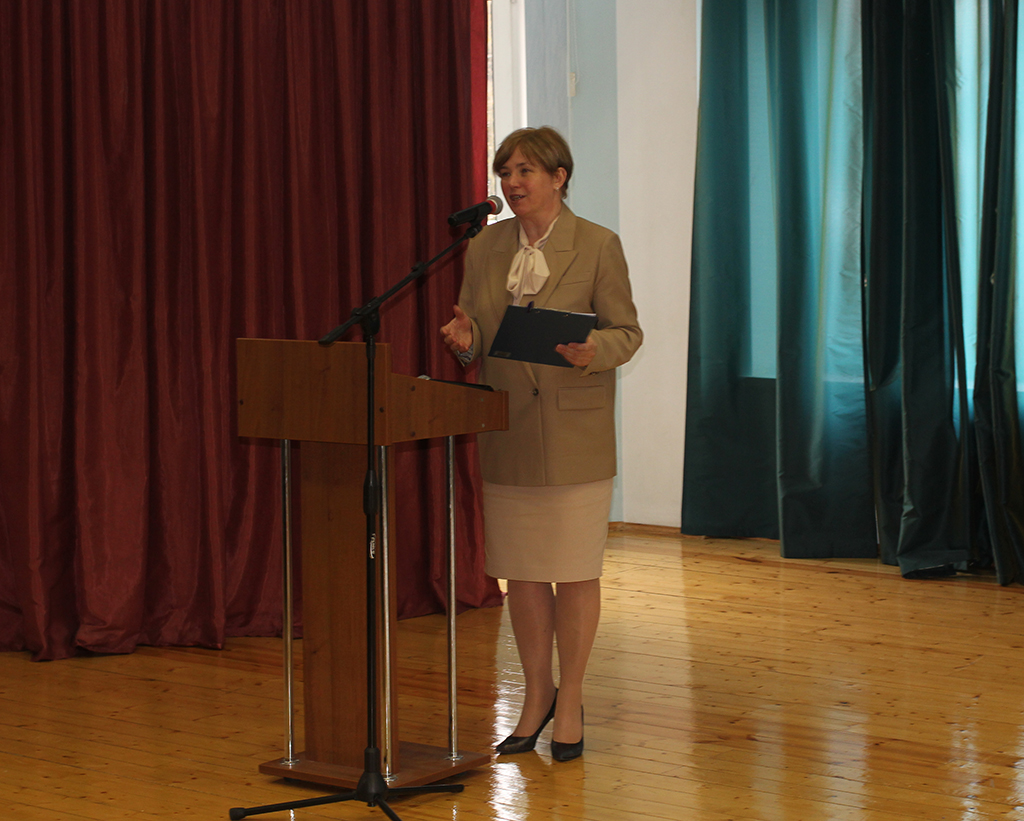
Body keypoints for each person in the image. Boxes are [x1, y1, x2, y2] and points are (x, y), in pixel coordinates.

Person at [440, 126, 642, 762]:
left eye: (525, 170)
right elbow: (475, 331)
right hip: (510, 431)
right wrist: (464, 340)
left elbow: (627, 331)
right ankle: (536, 696)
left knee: (575, 572)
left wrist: (594, 349)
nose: (512, 182)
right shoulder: (485, 247)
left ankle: (571, 699)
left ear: (559, 177)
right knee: (522, 574)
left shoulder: (598, 244)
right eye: (505, 172)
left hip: (575, 431)